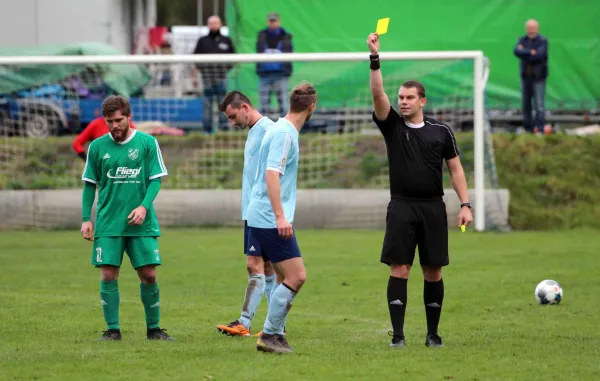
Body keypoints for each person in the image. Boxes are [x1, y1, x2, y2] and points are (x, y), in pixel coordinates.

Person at [367, 32, 473, 348]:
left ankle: (433, 334)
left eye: (409, 97)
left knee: (433, 271)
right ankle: (398, 337)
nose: (403, 101)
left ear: (422, 100)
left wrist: (465, 204)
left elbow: (455, 169)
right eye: (401, 97)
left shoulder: (441, 132)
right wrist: (375, 58)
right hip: (401, 207)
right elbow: (377, 94)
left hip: (433, 207)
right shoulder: (392, 126)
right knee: (400, 268)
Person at [80, 95, 173, 341]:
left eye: (119, 120)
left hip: (141, 223)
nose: (114, 125)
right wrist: (85, 219)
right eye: (109, 121)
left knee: (149, 275)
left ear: (129, 117)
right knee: (108, 275)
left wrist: (143, 207)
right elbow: (89, 185)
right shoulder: (97, 147)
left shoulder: (147, 143)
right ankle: (113, 331)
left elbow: (155, 180)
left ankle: (154, 330)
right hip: (109, 223)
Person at [247, 82, 317, 354]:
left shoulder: (279, 128)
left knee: (280, 277)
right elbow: (271, 174)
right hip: (268, 217)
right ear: (312, 107)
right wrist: (280, 216)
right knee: (297, 276)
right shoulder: (285, 134)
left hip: (261, 214)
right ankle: (270, 335)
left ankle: (275, 334)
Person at [214, 91, 277, 336]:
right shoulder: (254, 132)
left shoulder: (268, 130)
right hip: (255, 211)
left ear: (245, 107)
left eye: (233, 116)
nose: (232, 122)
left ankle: (244, 322)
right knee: (269, 268)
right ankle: (275, 328)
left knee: (254, 265)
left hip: (262, 211)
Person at [192, 15, 236, 134]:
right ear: (208, 25)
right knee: (207, 104)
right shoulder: (202, 41)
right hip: (207, 78)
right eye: (211, 23)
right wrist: (205, 71)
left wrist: (224, 70)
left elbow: (233, 58)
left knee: (223, 104)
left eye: (216, 23)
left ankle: (224, 129)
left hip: (221, 77)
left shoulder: (226, 40)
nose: (214, 25)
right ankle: (207, 130)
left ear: (220, 24)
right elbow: (195, 58)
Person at [513, 19, 549, 134]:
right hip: (526, 77)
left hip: (538, 77)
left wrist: (525, 52)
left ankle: (540, 128)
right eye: (529, 27)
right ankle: (528, 128)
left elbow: (540, 55)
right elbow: (516, 51)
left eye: (533, 27)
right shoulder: (522, 39)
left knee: (539, 105)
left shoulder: (542, 40)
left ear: (537, 28)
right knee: (526, 104)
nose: (531, 29)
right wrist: (530, 52)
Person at [255, 12, 293, 115]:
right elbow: (258, 51)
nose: (272, 23)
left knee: (284, 105)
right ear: (267, 22)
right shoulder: (261, 35)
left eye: (274, 21)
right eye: (271, 21)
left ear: (278, 21)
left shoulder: (286, 35)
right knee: (263, 105)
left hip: (281, 74)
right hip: (264, 74)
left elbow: (289, 52)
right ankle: (263, 129)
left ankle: (285, 129)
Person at [72, 116, 136, 161]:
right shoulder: (96, 124)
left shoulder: (128, 124)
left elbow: (136, 143)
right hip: (102, 168)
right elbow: (77, 144)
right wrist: (87, 160)